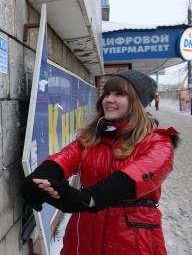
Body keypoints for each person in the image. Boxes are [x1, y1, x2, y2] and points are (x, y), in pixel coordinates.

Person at [21, 69, 179, 255]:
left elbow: (134, 177)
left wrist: (86, 199)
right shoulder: (93, 137)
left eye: (119, 94)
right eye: (106, 93)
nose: (108, 99)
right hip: (84, 237)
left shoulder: (159, 142)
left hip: (132, 241)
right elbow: (65, 157)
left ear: (137, 102)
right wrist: (37, 179)